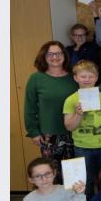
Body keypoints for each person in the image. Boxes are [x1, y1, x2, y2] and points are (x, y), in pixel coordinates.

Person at [63, 60, 101, 200]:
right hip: (82, 147)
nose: (87, 79)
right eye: (83, 76)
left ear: (96, 77)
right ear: (76, 78)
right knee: (85, 180)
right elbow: (69, 126)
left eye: (90, 76)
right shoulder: (71, 100)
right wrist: (78, 114)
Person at [24, 41, 78, 172]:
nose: (55, 57)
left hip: (75, 132)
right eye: (50, 54)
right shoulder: (36, 78)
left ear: (64, 55)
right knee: (52, 174)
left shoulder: (74, 77)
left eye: (59, 53)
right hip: (49, 135)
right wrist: (33, 132)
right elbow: (30, 107)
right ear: (44, 56)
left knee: (74, 175)